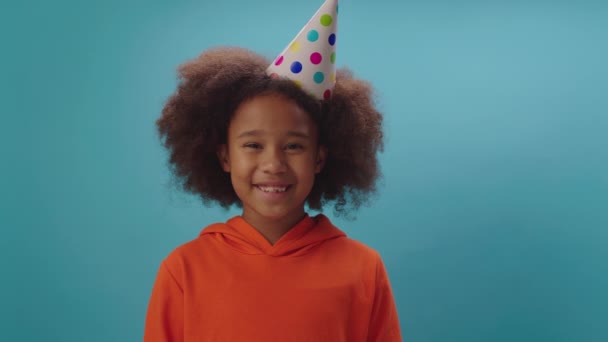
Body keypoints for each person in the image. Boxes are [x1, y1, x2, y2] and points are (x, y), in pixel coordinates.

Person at [144, 1, 402, 341]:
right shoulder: (183, 270)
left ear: (320, 158)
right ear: (224, 157)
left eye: (293, 146)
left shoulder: (363, 269)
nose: (273, 164)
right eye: (253, 145)